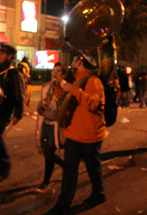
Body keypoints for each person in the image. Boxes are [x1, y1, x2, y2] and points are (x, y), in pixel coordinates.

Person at [48, 51, 107, 214]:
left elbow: (93, 103)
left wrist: (73, 89)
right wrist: (58, 86)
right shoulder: (75, 80)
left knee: (93, 167)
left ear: (80, 61)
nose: (72, 62)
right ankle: (63, 204)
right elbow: (64, 101)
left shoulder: (93, 80)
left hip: (89, 134)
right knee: (69, 170)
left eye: (74, 59)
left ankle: (99, 194)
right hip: (73, 133)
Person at [0, 44, 25, 179]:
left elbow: (19, 94)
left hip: (5, 111)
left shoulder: (14, 73)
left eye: (2, 53)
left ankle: (5, 164)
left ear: (10, 57)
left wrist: (18, 114)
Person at [35, 62, 67, 193]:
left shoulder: (65, 87)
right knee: (47, 152)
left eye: (58, 70)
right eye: (54, 70)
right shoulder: (46, 86)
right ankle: (65, 167)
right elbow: (42, 102)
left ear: (63, 74)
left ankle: (45, 182)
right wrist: (39, 108)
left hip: (56, 125)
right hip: (45, 124)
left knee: (49, 153)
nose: (55, 72)